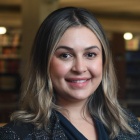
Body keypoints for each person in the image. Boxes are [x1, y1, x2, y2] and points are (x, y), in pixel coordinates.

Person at [0, 7, 140, 140]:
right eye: (65, 55)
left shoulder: (128, 124)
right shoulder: (16, 135)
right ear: (43, 63)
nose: (79, 68)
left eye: (90, 54)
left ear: (104, 61)